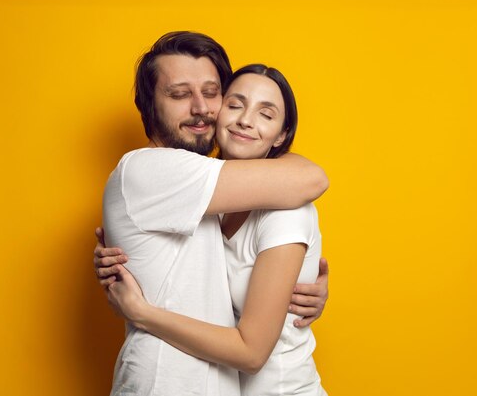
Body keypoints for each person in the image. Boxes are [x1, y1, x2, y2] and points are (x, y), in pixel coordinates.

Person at [98, 31, 328, 396]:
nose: (201, 108)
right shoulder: (155, 171)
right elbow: (310, 177)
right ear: (148, 105)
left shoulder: (216, 194)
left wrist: (300, 284)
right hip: (165, 382)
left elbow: (310, 181)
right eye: (178, 94)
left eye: (211, 93)